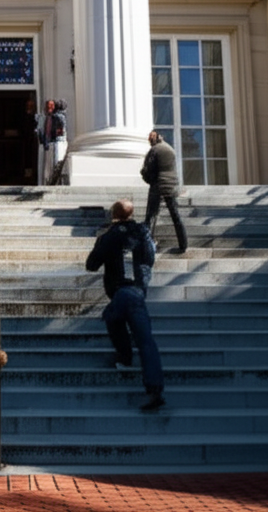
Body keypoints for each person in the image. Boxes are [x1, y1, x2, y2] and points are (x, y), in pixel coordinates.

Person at [85, 199, 165, 412]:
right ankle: (154, 388)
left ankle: (125, 356)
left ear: (114, 214)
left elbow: (91, 265)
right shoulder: (143, 232)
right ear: (131, 213)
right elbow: (149, 258)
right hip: (137, 291)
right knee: (145, 339)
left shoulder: (108, 236)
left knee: (112, 317)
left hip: (121, 291)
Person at [140, 129, 187, 253]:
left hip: (158, 186)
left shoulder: (154, 150)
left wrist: (147, 178)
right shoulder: (170, 149)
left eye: (150, 139)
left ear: (153, 139)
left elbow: (147, 170)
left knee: (150, 217)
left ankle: (146, 245)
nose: (149, 141)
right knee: (175, 216)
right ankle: (183, 244)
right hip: (171, 186)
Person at [39, 99, 69, 185]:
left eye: (52, 106)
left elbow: (56, 130)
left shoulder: (56, 117)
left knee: (55, 163)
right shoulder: (52, 117)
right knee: (55, 163)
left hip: (56, 142)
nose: (50, 108)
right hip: (56, 142)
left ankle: (54, 181)